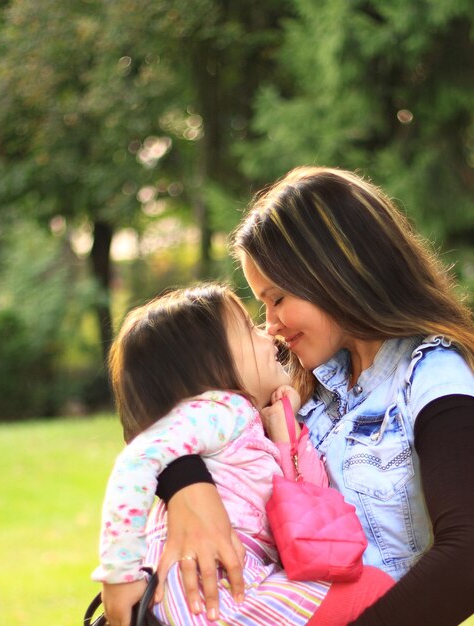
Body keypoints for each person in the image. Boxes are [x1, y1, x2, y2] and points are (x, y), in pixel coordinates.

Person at [153, 167, 474, 626]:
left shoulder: (432, 377)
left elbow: (467, 558)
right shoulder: (305, 391)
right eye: (261, 304)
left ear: (335, 274)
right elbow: (171, 412)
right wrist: (185, 484)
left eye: (278, 298)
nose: (270, 324)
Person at [91, 284, 394, 626]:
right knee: (375, 591)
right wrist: (119, 575)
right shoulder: (219, 411)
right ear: (210, 364)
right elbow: (137, 459)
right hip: (212, 591)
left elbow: (306, 508)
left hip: (222, 590)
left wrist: (285, 431)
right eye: (250, 330)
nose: (267, 335)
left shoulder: (241, 428)